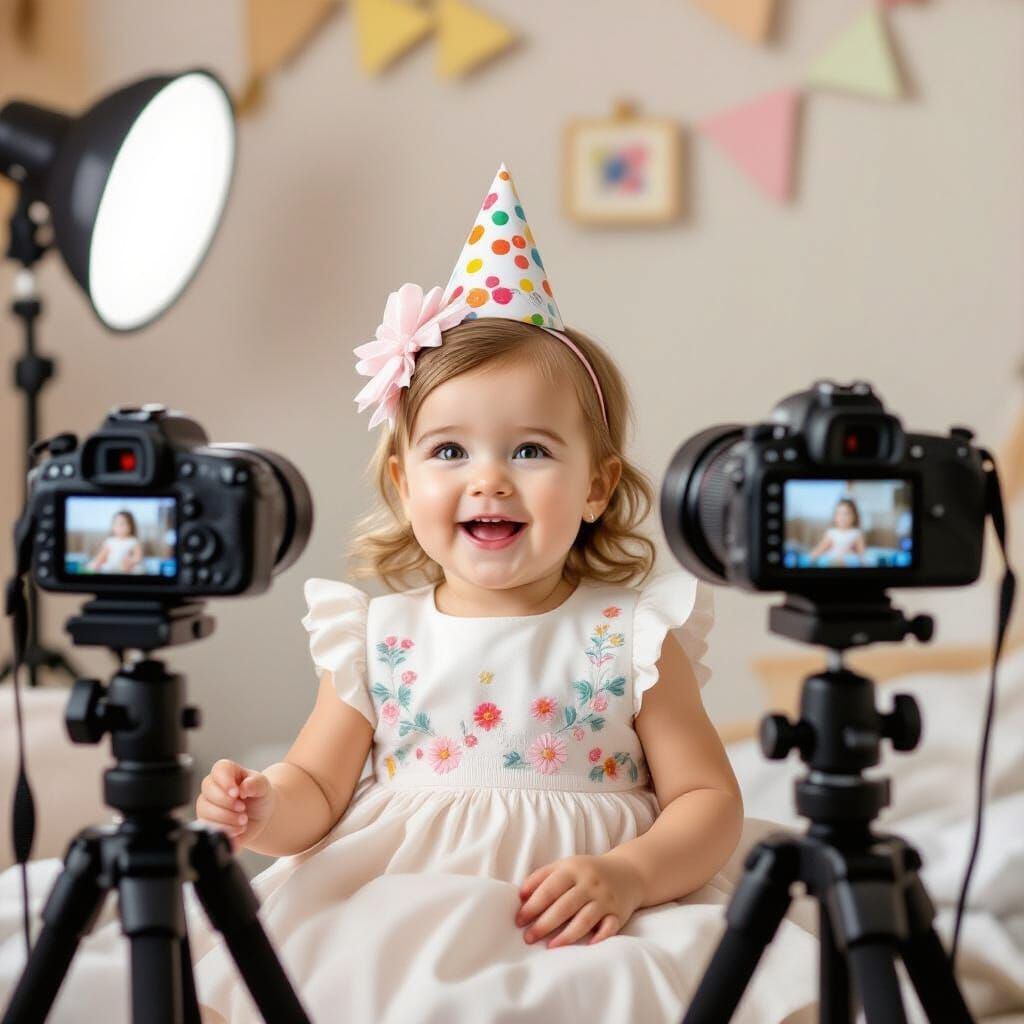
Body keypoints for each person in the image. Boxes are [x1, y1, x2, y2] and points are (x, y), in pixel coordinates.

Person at [191, 165, 817, 1023]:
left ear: (596, 487)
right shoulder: (377, 636)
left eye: (529, 451)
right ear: (405, 483)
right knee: (316, 976)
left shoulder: (629, 633)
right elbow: (317, 788)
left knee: (705, 984)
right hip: (403, 900)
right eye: (450, 452)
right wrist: (263, 809)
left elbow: (707, 802)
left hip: (589, 907)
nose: (489, 479)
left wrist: (632, 873)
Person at [807, 497, 866, 567]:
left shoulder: (856, 533)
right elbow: (821, 548)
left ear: (854, 516)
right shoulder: (832, 533)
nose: (842, 517)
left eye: (846, 514)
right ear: (835, 517)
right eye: (839, 513)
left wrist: (860, 559)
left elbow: (862, 554)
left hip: (847, 562)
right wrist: (812, 556)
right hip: (832, 561)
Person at [85, 510, 143, 574]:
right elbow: (102, 555)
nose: (119, 527)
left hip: (126, 566)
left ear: (130, 527)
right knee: (94, 565)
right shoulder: (110, 541)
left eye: (122, 524)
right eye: (116, 524)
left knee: (138, 569)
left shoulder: (132, 541)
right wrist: (98, 562)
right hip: (111, 565)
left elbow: (138, 557)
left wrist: (131, 561)